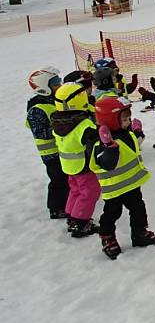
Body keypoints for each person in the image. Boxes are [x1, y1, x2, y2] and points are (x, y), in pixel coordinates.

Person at [91, 96, 155, 259]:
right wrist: (109, 146)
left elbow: (135, 145)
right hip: (114, 188)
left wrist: (138, 132)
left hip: (132, 185)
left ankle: (139, 232)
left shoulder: (125, 134)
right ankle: (107, 237)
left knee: (138, 209)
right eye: (124, 119)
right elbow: (108, 163)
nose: (128, 121)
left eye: (129, 118)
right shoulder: (100, 143)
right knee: (111, 213)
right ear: (111, 120)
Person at [51, 82, 101, 238]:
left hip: (68, 165)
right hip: (83, 165)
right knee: (90, 191)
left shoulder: (58, 121)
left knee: (75, 190)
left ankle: (72, 216)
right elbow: (93, 142)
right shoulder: (83, 124)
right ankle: (80, 222)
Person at [25, 67, 70, 220]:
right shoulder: (36, 109)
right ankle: (56, 208)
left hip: (63, 149)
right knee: (57, 180)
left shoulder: (55, 101)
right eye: (56, 83)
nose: (60, 86)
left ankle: (68, 201)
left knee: (66, 177)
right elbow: (41, 132)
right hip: (50, 153)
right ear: (45, 88)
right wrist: (62, 128)